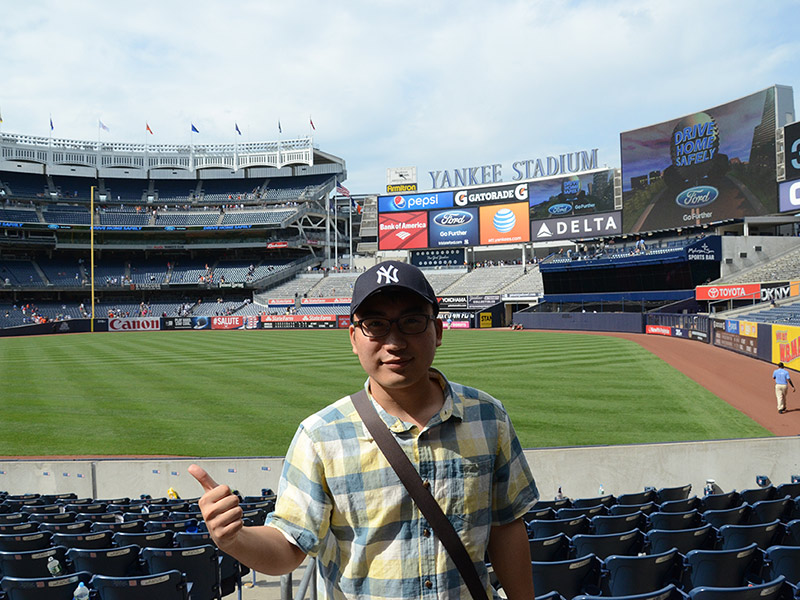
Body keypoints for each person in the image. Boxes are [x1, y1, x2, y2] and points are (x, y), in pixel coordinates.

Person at [189, 260, 539, 599]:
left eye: (412, 321)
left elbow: (506, 527)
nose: (395, 342)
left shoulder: (488, 417)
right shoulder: (320, 436)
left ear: (438, 330)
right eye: (375, 325)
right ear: (354, 337)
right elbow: (288, 547)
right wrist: (235, 539)